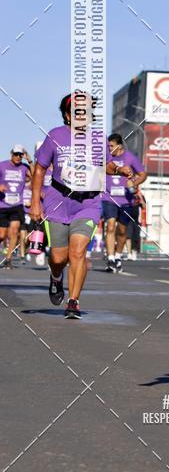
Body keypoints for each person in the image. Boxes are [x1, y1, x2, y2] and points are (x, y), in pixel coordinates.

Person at [29, 93, 127, 318]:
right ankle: (56, 277)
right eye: (77, 111)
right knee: (58, 258)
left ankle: (73, 301)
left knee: (78, 251)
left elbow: (106, 165)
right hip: (57, 202)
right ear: (67, 115)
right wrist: (35, 202)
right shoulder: (55, 136)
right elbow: (40, 169)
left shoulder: (98, 138)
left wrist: (119, 169)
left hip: (88, 203)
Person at [101, 133, 146, 272]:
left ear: (119, 146)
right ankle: (110, 259)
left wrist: (134, 182)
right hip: (108, 198)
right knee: (110, 227)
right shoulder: (106, 159)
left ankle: (118, 256)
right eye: (108, 146)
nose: (109, 148)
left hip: (126, 200)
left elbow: (143, 174)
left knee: (122, 231)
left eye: (111, 146)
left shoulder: (130, 157)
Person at [0, 145, 32, 269]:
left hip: (17, 205)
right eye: (16, 154)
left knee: (14, 232)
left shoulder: (24, 167)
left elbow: (36, 175)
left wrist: (29, 160)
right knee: (2, 235)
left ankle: (8, 259)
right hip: (2, 204)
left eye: (20, 155)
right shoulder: (2, 165)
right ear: (11, 154)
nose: (18, 157)